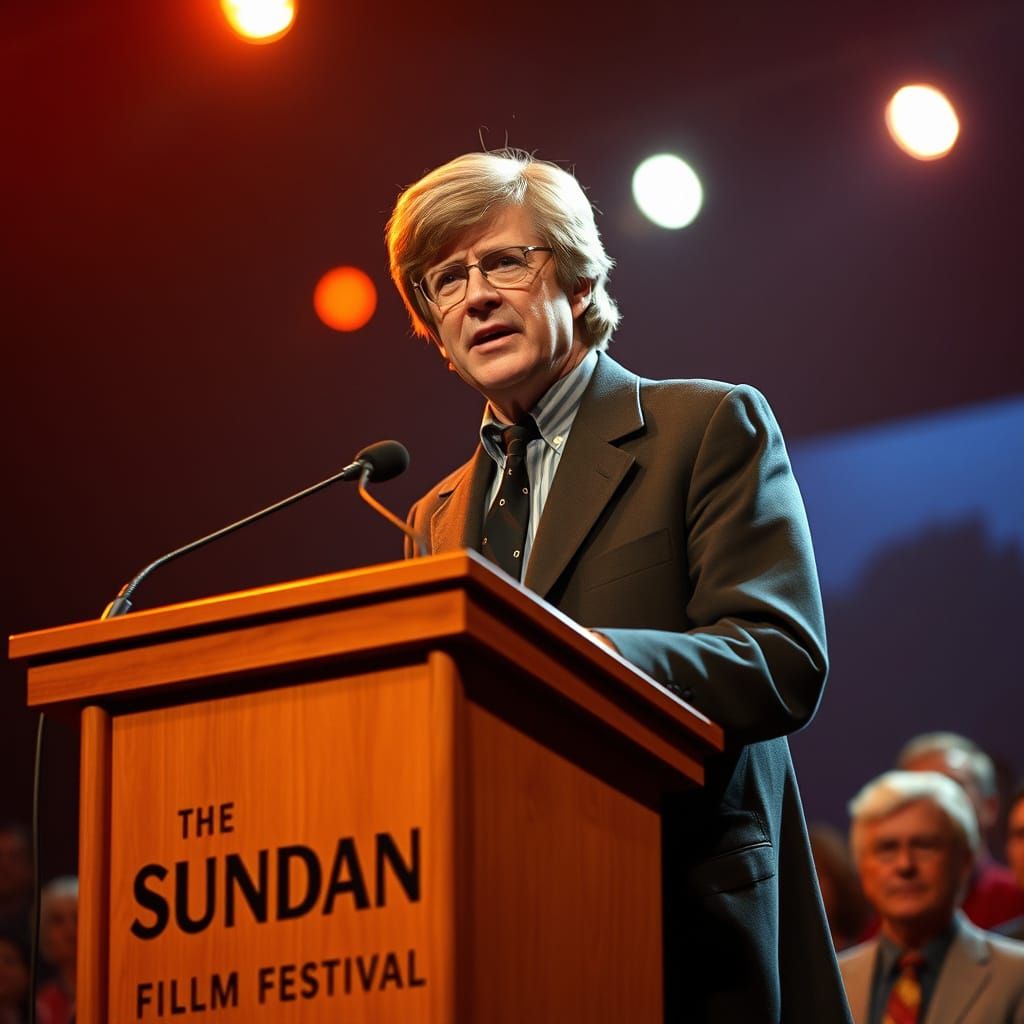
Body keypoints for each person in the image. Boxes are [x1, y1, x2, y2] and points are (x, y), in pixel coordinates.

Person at [387, 149, 851, 1022]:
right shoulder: (433, 519)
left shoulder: (704, 426)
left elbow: (779, 659)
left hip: (684, 935)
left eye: (504, 262)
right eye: (444, 280)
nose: (475, 295)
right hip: (503, 945)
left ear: (577, 280)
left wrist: (568, 661)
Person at [839, 770, 1024, 1023]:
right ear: (860, 867)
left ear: (965, 861)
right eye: (887, 848)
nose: (905, 865)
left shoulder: (1016, 975)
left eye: (925, 845)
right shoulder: (831, 978)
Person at [898, 731, 1024, 929]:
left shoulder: (1017, 900)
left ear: (990, 806)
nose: (937, 803)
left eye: (953, 787)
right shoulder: (887, 919)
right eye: (919, 791)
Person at [35, 876, 77, 1024]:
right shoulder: (40, 1004)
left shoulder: (115, 993)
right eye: (58, 920)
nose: (70, 930)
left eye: (77, 917)